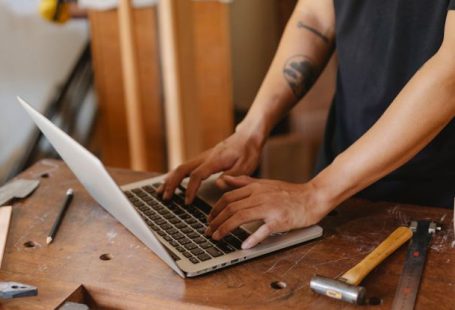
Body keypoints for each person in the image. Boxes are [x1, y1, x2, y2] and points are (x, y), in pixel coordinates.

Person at [158, 0, 455, 250]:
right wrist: (250, 131)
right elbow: (315, 15)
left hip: (440, 202)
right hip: (343, 185)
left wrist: (316, 193)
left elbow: (450, 74)